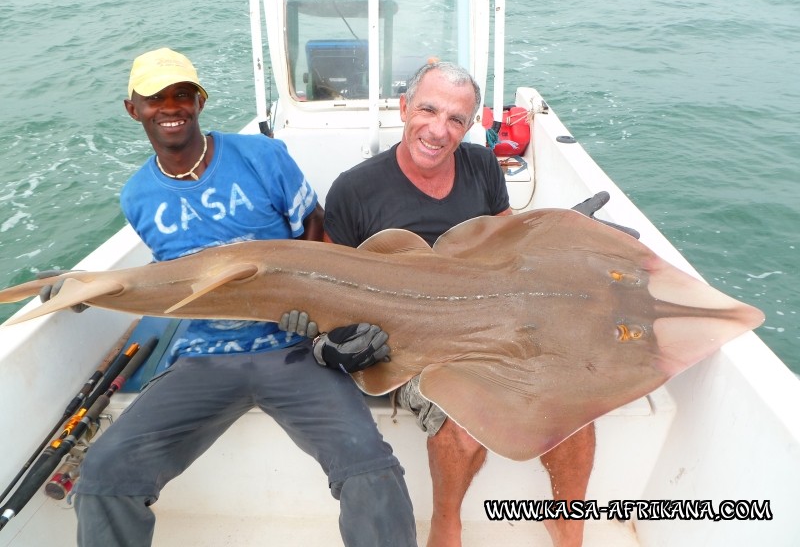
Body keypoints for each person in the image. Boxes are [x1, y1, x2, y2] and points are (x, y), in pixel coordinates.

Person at [53, 47, 416, 547]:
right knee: (104, 474)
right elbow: (166, 278)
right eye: (155, 98)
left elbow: (317, 235)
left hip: (294, 349)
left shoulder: (261, 157)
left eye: (182, 94)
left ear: (199, 101)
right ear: (132, 109)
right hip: (204, 357)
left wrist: (318, 317)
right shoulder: (138, 196)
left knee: (369, 467)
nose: (171, 106)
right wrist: (82, 286)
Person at [322, 62, 595, 547]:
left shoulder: (481, 165)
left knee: (573, 397)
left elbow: (511, 242)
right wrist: (333, 342)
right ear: (404, 108)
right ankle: (446, 523)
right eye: (428, 109)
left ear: (470, 127)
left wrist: (565, 235)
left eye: (455, 119)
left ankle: (567, 519)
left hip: (491, 315)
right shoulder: (354, 189)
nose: (438, 129)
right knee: (463, 423)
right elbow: (331, 286)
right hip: (409, 336)